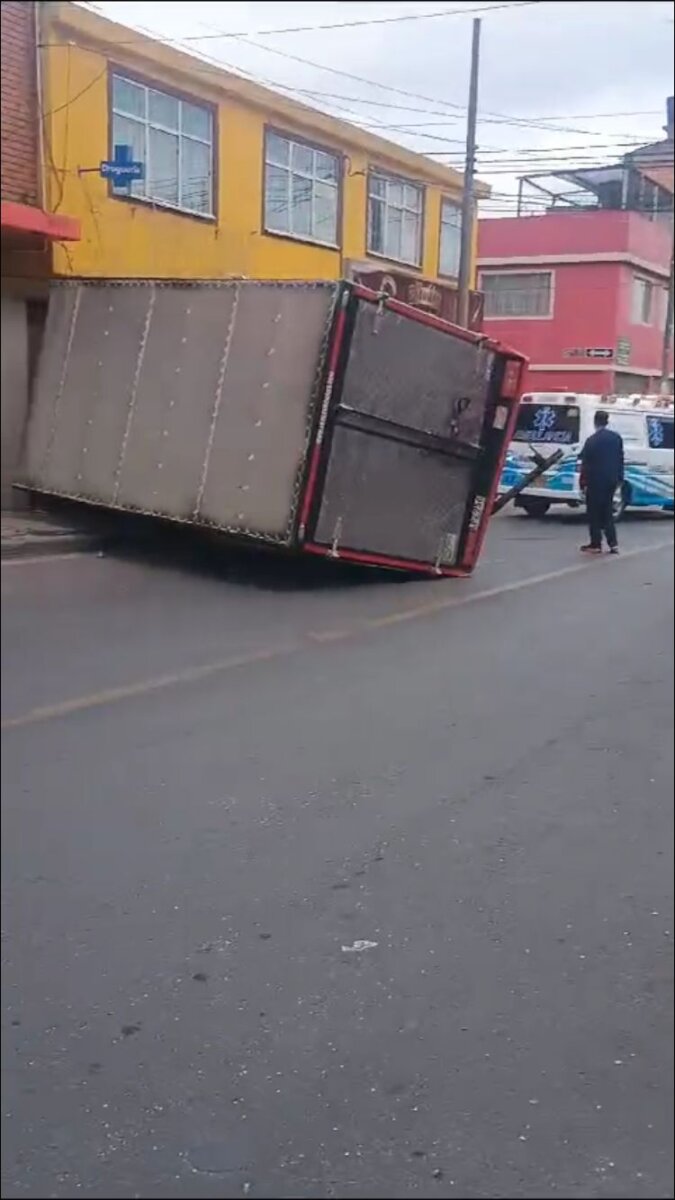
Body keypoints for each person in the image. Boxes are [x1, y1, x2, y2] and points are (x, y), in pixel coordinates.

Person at [579, 410, 624, 555]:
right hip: (611, 480)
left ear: (595, 422)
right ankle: (613, 544)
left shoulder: (592, 440)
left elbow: (585, 463)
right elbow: (620, 459)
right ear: (607, 421)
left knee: (594, 513)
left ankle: (596, 544)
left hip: (595, 481)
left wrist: (583, 483)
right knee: (607, 512)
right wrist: (619, 479)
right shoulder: (616, 438)